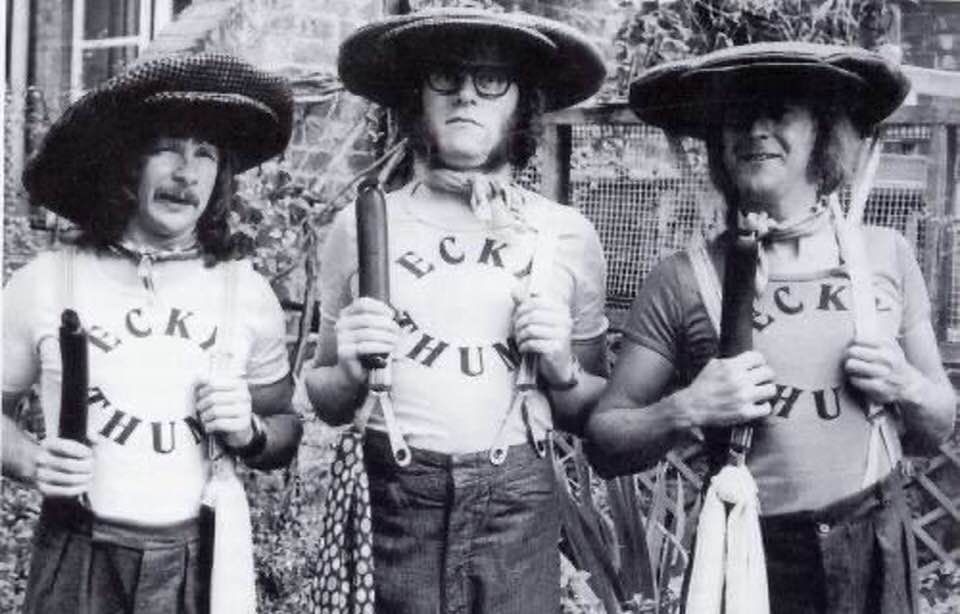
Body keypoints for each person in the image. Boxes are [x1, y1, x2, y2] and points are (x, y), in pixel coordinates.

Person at [586, 42, 957, 614]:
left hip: (873, 542)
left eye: (779, 111)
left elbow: (938, 425)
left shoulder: (884, 255)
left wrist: (906, 384)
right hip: (749, 553)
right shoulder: (682, 279)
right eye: (738, 115)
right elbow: (606, 442)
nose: (756, 130)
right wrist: (687, 408)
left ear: (823, 131)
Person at [301, 8, 609, 613]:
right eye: (445, 77)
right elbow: (325, 398)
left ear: (521, 103)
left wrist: (563, 366)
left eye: (492, 79)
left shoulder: (564, 233)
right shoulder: (363, 225)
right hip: (395, 500)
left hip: (518, 506)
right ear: (417, 96)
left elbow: (590, 411)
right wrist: (350, 371)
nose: (467, 93)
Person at [2, 52, 303, 613]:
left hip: (197, 559)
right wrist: (29, 458)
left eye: (205, 154)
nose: (186, 173)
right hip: (78, 554)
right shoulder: (46, 282)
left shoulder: (245, 292)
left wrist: (252, 433)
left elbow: (285, 428)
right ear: (121, 162)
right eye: (165, 148)